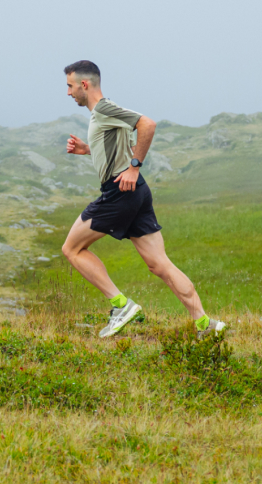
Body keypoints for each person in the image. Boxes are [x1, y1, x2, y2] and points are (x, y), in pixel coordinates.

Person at [57, 60, 225, 337]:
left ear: (84, 85)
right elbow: (121, 147)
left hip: (119, 192)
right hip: (136, 193)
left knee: (71, 249)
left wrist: (134, 167)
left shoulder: (103, 108)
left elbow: (148, 124)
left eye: (70, 86)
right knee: (159, 264)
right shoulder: (105, 114)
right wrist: (89, 150)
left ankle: (120, 305)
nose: (68, 93)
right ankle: (205, 324)